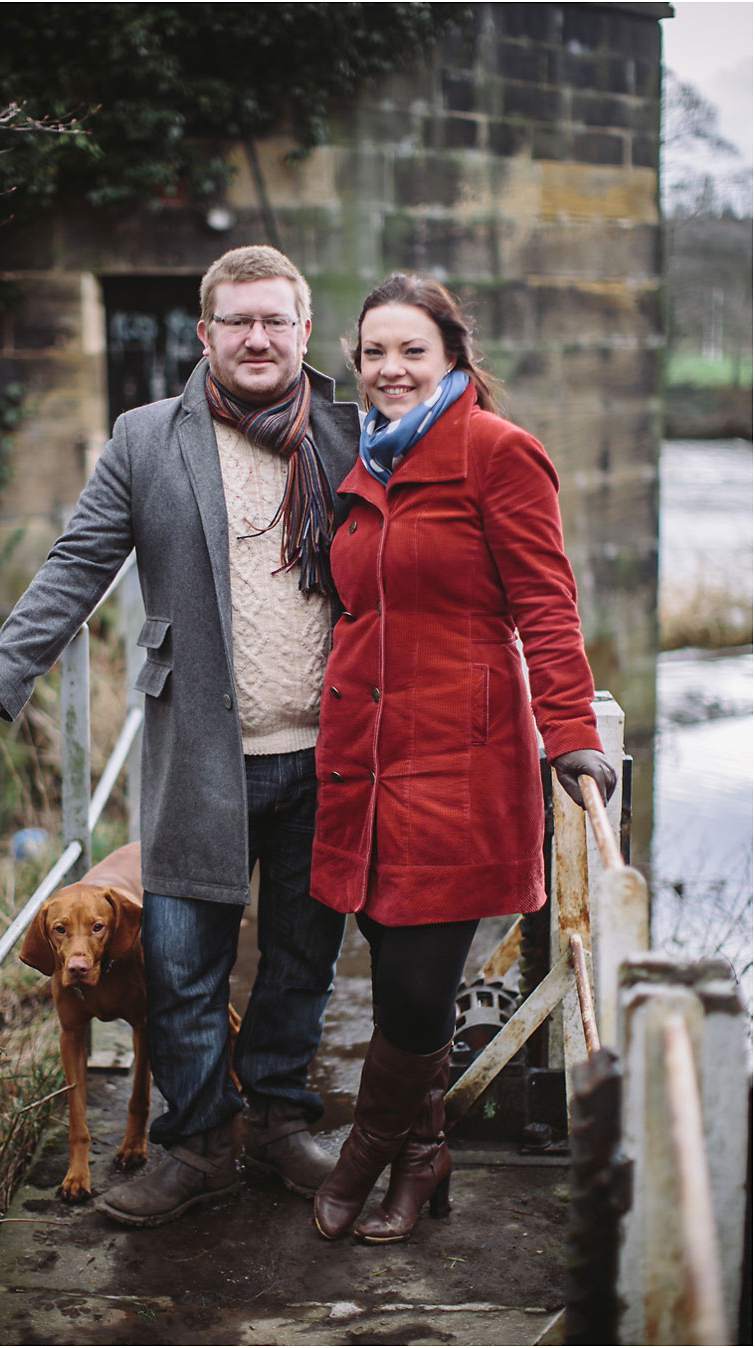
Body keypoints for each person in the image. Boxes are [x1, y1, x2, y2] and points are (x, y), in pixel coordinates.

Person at [0, 245, 361, 1226]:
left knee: (304, 955)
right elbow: (76, 565)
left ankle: (281, 1120)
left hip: (328, 752)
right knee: (178, 962)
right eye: (236, 322)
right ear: (206, 333)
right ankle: (200, 1137)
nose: (256, 338)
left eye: (275, 321)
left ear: (304, 332)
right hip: (197, 755)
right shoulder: (145, 439)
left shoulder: (351, 435)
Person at [308, 273, 616, 1245]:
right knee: (392, 960)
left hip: (460, 759)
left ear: (452, 357)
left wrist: (573, 736)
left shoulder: (497, 452)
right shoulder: (363, 464)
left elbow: (547, 607)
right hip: (363, 759)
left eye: (411, 350)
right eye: (373, 352)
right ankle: (424, 1157)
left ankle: (367, 1147)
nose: (389, 369)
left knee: (411, 989)